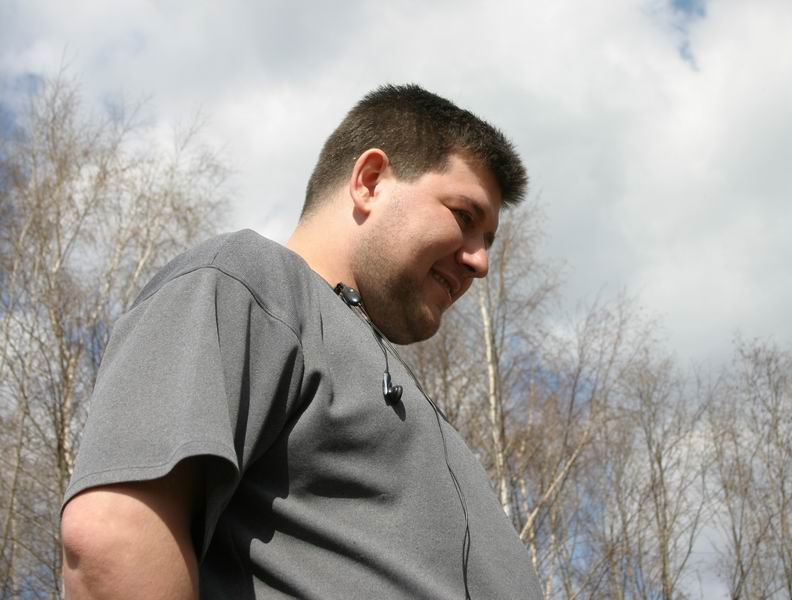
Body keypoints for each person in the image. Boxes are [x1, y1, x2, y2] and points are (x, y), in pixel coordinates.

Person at [60, 84, 542, 599]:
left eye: (487, 242)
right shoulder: (253, 282)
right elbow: (113, 534)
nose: (480, 262)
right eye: (464, 217)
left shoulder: (403, 394)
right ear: (370, 181)